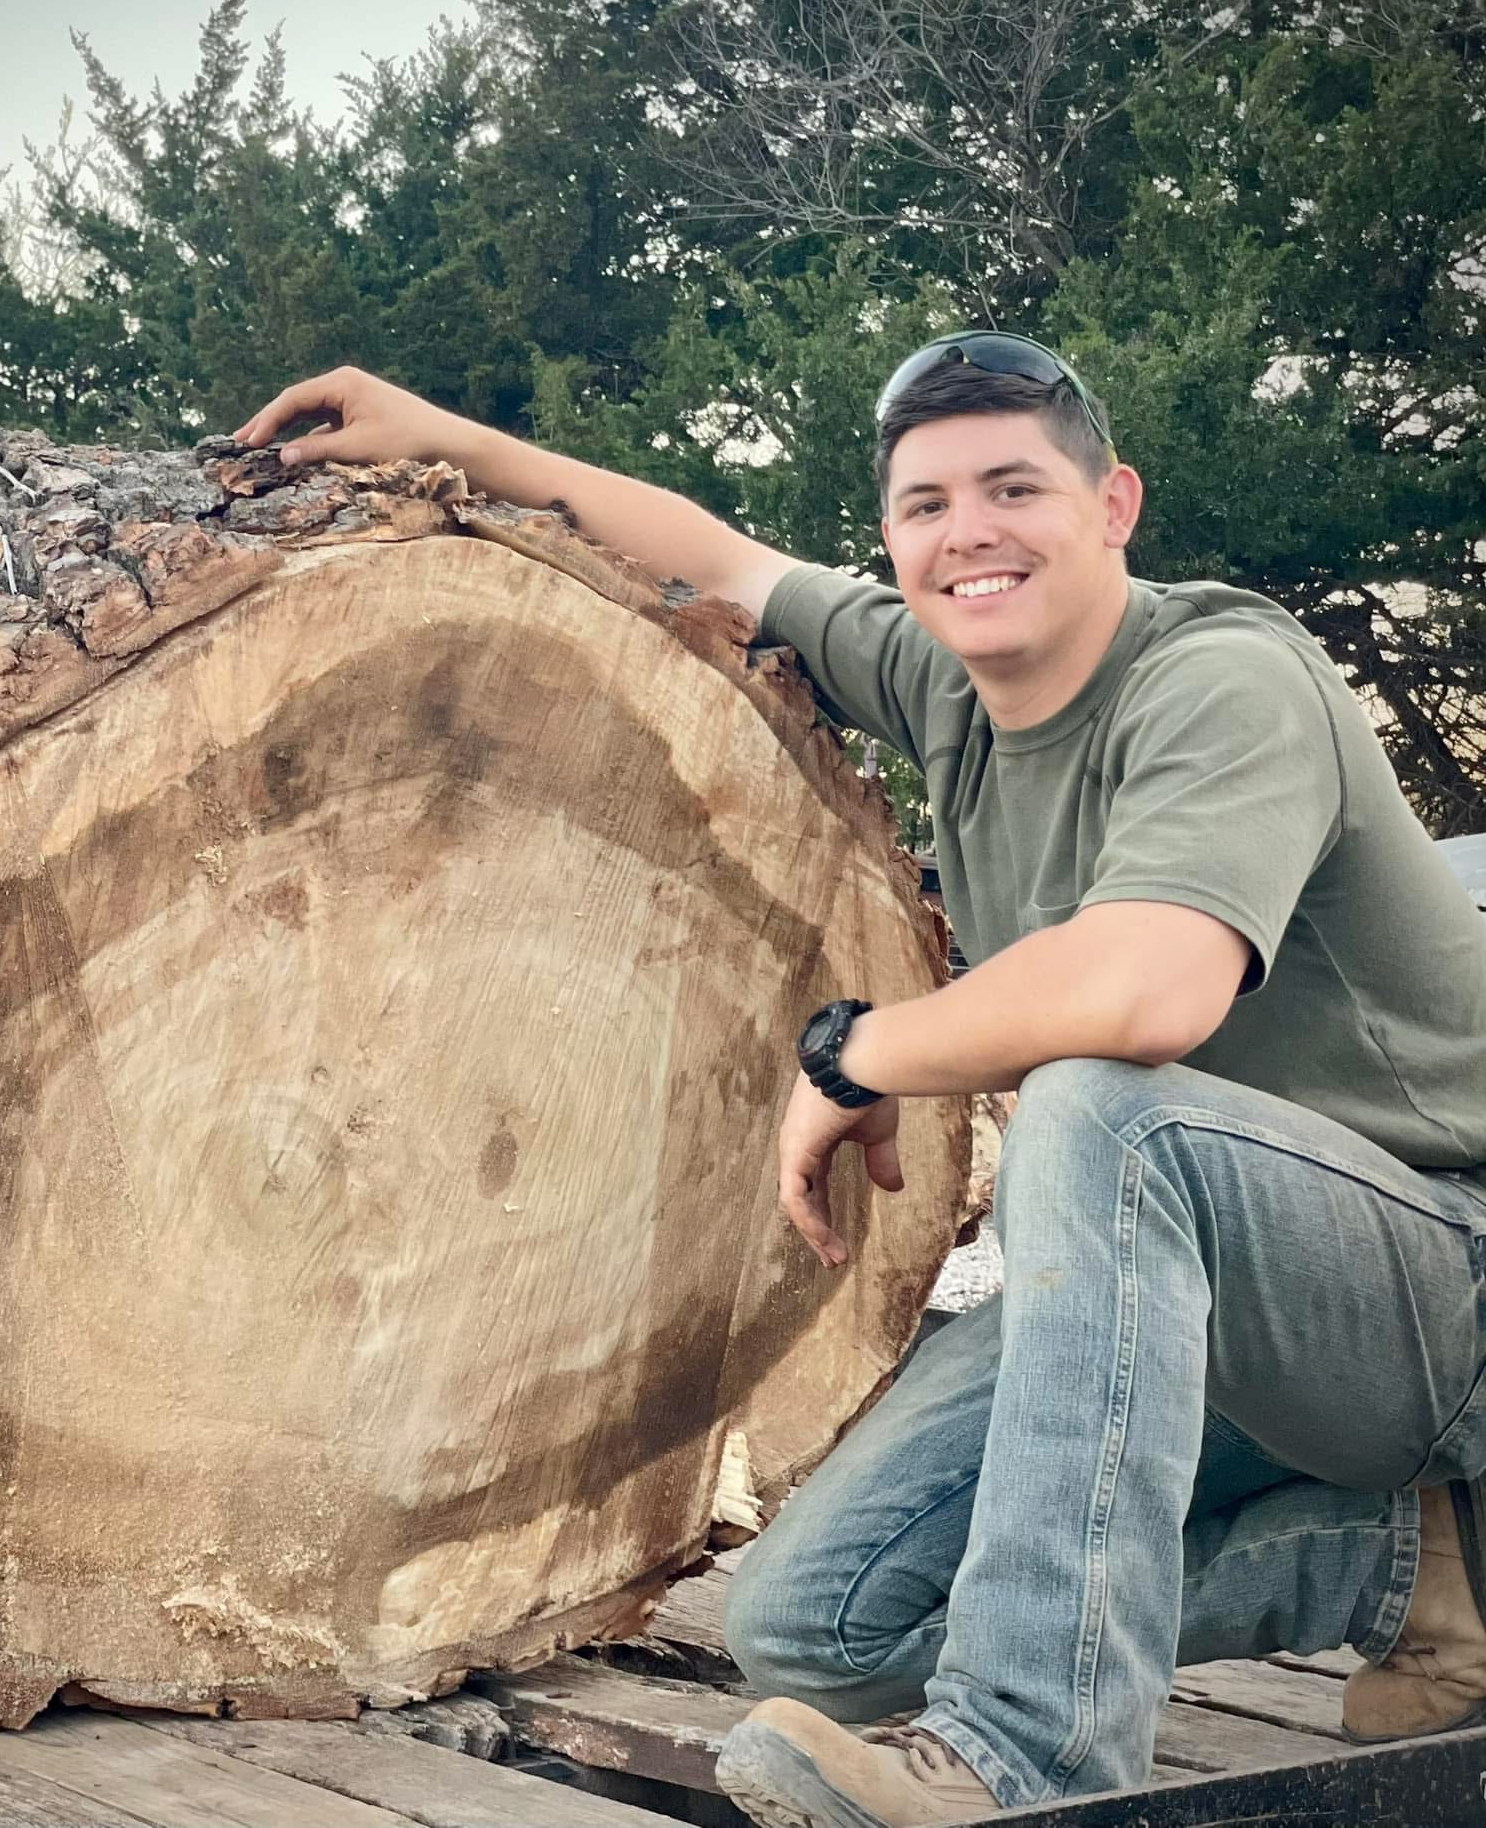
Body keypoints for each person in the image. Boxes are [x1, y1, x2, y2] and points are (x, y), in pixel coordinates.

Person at [236, 340, 1486, 1826]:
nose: (970, 533)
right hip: (1214, 1309)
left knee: (1103, 1110)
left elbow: (1148, 989)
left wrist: (857, 1050)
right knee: (812, 1627)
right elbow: (715, 556)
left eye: (1015, 489)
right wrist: (446, 430)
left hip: (1441, 1285)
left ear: (1113, 506)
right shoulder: (946, 681)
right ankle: (1412, 1571)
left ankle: (1022, 1749)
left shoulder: (1223, 679)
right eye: (926, 505)